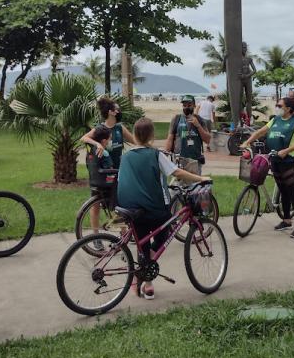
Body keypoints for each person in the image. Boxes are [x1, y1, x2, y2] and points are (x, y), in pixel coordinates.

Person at [118, 117, 210, 299]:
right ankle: (144, 276)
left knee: (142, 241)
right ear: (152, 136)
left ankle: (146, 279)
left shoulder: (126, 156)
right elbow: (176, 172)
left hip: (129, 206)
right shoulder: (155, 154)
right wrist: (201, 178)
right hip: (154, 207)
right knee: (166, 231)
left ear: (135, 135)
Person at [241, 97, 294, 239]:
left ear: (288, 109)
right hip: (275, 159)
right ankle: (286, 220)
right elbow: (260, 132)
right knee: (283, 190)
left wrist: (287, 150)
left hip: (288, 161)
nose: (276, 107)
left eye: (279, 105)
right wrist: (247, 141)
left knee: (292, 192)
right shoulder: (275, 120)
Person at [81, 96, 135, 250]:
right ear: (111, 112)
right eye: (117, 109)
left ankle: (123, 234)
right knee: (96, 204)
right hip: (101, 173)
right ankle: (96, 237)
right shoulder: (100, 129)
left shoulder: (119, 128)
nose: (119, 111)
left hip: (118, 172)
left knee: (118, 204)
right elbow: (83, 138)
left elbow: (135, 141)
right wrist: (97, 143)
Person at [165, 95, 211, 175]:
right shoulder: (176, 119)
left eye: (189, 105)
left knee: (195, 185)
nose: (186, 108)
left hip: (195, 160)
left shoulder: (199, 120)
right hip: (179, 159)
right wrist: (164, 157)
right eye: (184, 105)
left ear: (194, 106)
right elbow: (170, 138)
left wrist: (198, 126)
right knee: (179, 185)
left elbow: (207, 140)